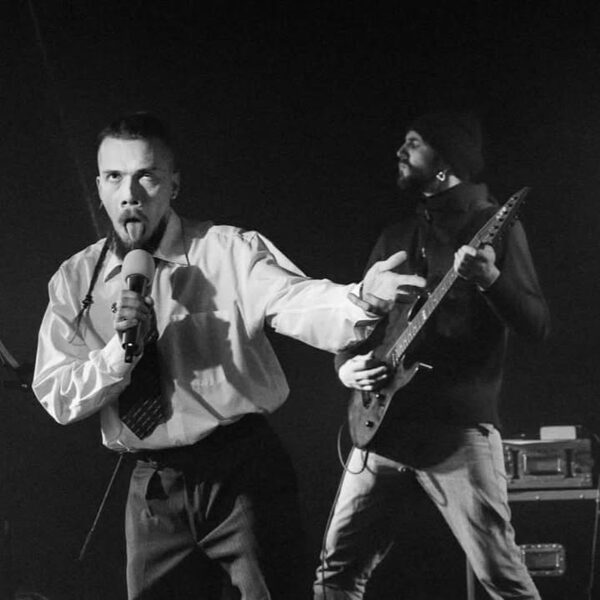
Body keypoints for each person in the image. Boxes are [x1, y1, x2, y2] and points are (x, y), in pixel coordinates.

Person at [32, 112, 425, 600]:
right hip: (153, 486)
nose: (130, 193)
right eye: (114, 177)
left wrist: (363, 299)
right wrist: (121, 351)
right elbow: (57, 394)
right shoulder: (75, 279)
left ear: (174, 184)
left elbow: (298, 300)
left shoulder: (228, 251)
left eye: (146, 176)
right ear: (99, 187)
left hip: (241, 472)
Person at [314, 111, 550, 600]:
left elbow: (536, 324)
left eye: (414, 142)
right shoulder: (396, 235)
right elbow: (359, 325)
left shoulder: (493, 226)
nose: (400, 152)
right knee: (334, 576)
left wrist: (489, 279)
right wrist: (346, 368)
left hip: (456, 430)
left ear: (445, 161)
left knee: (504, 579)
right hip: (384, 427)